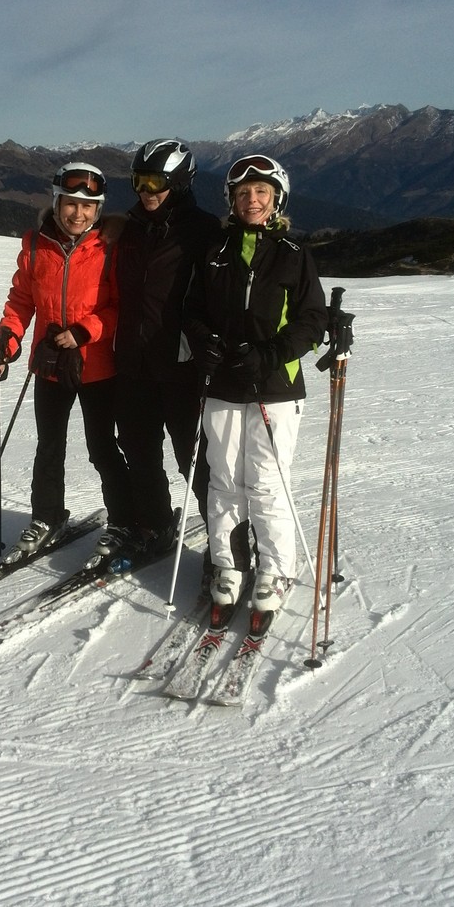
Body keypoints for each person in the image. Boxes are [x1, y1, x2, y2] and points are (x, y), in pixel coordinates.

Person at [184, 155, 327, 612]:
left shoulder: (292, 255)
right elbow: (193, 310)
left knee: (266, 481)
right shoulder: (214, 252)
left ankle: (277, 567)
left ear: (276, 199)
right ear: (231, 199)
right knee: (223, 478)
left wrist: (269, 355)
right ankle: (229, 564)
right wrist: (203, 341)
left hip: (274, 386)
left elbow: (311, 320)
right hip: (223, 382)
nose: (252, 200)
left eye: (261, 192)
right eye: (243, 193)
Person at [0, 162, 133, 555]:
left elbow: (120, 306)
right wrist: (10, 339)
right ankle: (47, 515)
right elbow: (21, 300)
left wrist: (86, 330)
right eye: (70, 203)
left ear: (99, 210)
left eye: (88, 207)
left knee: (102, 446)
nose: (78, 214)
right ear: (56, 203)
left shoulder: (108, 248)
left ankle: (123, 520)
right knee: (48, 445)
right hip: (50, 364)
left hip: (97, 366)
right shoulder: (37, 246)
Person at [110, 139, 223, 555]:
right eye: (139, 180)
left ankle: (224, 542)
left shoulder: (204, 230)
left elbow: (220, 294)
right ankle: (155, 523)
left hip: (181, 366)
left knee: (194, 459)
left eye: (156, 181)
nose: (146, 190)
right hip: (133, 363)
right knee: (139, 451)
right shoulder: (130, 227)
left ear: (178, 182)